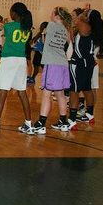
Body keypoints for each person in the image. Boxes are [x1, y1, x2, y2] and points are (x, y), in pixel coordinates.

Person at [0, 3, 33, 137]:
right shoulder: (27, 28)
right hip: (21, 61)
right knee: (22, 93)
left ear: (15, 13)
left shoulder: (9, 26)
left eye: (11, 11)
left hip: (9, 60)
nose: (9, 13)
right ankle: (29, 124)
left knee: (2, 92)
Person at [27, 7, 71, 135]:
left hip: (52, 64)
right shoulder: (66, 28)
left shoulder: (51, 25)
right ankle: (63, 122)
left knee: (46, 94)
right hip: (63, 63)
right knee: (60, 94)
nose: (50, 15)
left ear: (57, 15)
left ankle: (41, 123)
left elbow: (45, 42)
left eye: (52, 13)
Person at [67, 9, 103, 129]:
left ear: (87, 17)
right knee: (87, 89)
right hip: (88, 64)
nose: (81, 14)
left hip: (78, 63)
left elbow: (74, 22)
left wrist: (76, 16)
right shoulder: (94, 29)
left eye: (84, 13)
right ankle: (90, 114)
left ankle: (72, 120)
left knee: (74, 91)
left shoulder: (85, 26)